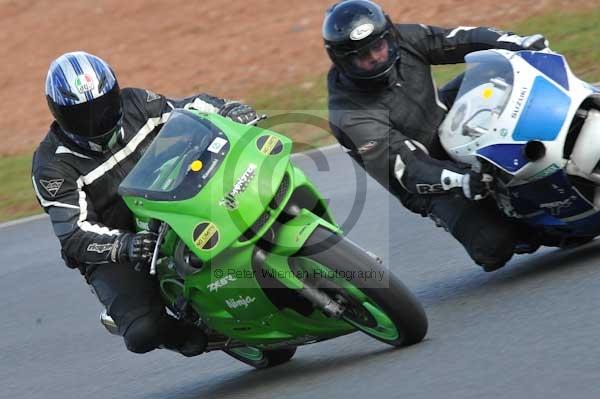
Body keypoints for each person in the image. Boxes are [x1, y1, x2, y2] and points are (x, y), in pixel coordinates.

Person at [31, 51, 257, 356]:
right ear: (58, 113)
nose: (96, 120)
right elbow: (73, 234)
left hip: (165, 200)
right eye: (81, 115)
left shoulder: (136, 102)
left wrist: (227, 109)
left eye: (103, 106)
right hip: (118, 241)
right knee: (143, 333)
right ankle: (187, 332)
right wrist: (125, 245)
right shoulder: (50, 167)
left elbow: (187, 109)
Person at [323, 0, 548, 272]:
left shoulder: (404, 38)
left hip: (444, 123)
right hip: (425, 182)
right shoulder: (348, 114)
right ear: (343, 61)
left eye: (378, 47)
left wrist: (517, 43)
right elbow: (410, 169)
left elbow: (460, 40)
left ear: (388, 35)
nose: (375, 58)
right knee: (494, 247)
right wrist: (463, 179)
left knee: (497, 68)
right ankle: (521, 224)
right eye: (362, 56)